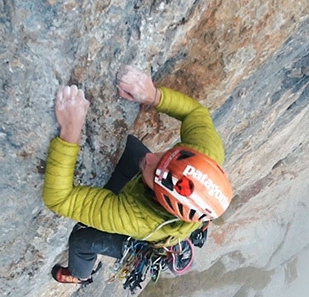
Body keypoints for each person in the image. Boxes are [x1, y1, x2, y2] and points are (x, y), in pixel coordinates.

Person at [43, 65, 232, 285]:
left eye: (155, 173)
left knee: (82, 239)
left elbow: (58, 198)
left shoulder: (137, 218)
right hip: (153, 202)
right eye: (164, 156)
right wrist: (153, 95)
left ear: (159, 198)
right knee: (131, 148)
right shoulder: (206, 153)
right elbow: (195, 114)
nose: (151, 158)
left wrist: (70, 131)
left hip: (146, 227)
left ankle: (80, 275)